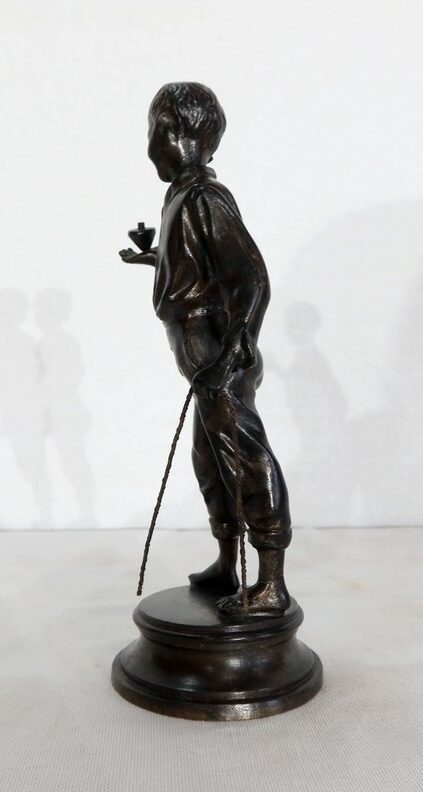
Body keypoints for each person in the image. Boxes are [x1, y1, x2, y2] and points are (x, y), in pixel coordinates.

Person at [120, 82, 291, 614]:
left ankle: (271, 583)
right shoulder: (181, 196)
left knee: (243, 457)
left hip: (217, 356)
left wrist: (235, 345)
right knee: (209, 460)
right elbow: (195, 266)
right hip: (200, 363)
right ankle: (226, 562)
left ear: (173, 131)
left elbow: (251, 278)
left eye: (152, 133)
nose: (149, 146)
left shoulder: (204, 198)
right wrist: (155, 258)